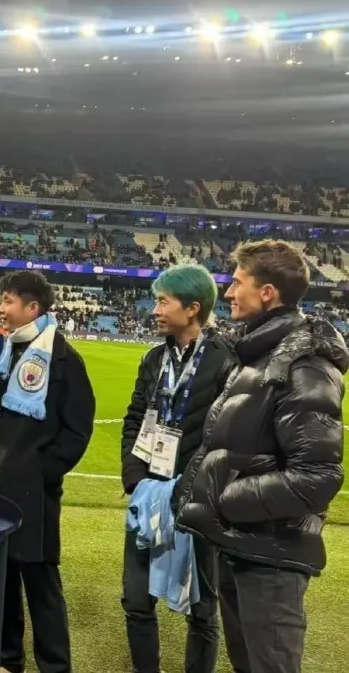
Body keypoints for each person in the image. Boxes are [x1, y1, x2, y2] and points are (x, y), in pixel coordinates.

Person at [177, 240, 347, 673]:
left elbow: (318, 475)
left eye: (237, 283)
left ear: (267, 292)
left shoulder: (304, 365)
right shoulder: (258, 355)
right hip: (241, 544)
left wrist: (227, 500)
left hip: (271, 556)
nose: (228, 293)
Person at [0, 270, 95, 673]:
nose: (0, 309)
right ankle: (9, 660)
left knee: (41, 584)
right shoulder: (7, 351)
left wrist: (42, 471)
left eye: (8, 301)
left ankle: (55, 666)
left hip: (35, 493)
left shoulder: (63, 359)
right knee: (5, 578)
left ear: (32, 307)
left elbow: (78, 430)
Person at [121, 263, 234, 673]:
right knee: (136, 599)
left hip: (198, 498)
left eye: (163, 301)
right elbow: (135, 418)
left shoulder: (225, 361)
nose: (155, 310)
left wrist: (194, 486)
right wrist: (134, 476)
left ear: (192, 308)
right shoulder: (154, 358)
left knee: (202, 609)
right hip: (150, 491)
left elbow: (226, 438)